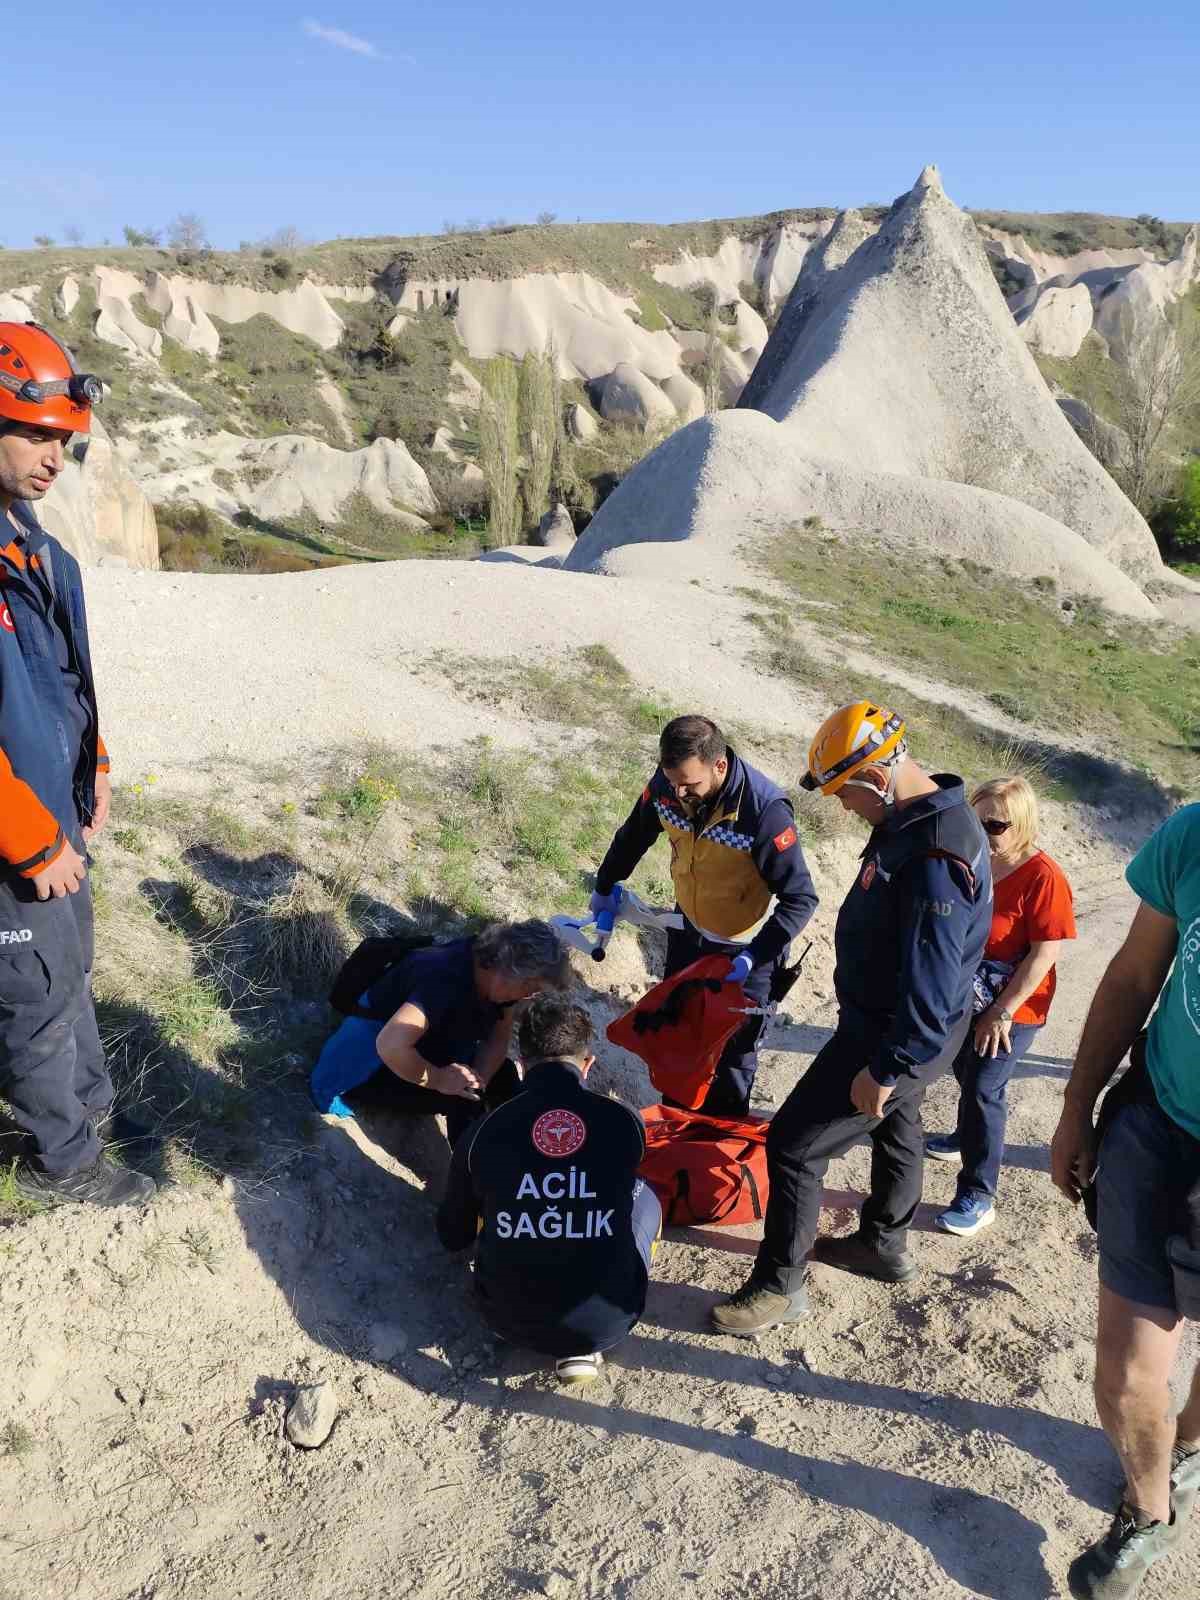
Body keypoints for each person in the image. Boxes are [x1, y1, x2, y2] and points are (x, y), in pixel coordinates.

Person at [710, 701, 991, 1336]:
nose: (843, 808)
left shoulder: (935, 855)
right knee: (897, 1126)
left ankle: (778, 1286)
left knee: (793, 1146)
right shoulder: (916, 818)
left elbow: (937, 981)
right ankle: (883, 1245)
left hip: (894, 1036)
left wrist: (889, 1066)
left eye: (845, 794)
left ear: (877, 778)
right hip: (890, 1026)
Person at [0, 323, 153, 1209]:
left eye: (68, 439)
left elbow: (65, 674)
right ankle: (65, 1167)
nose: (59, 456)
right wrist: (27, 840)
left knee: (70, 969)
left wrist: (91, 761)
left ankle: (90, 1117)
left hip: (52, 809)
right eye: (39, 435)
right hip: (15, 833)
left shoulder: (36, 546)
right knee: (31, 994)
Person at [1050, 804, 1200, 1599]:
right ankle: (1149, 1513)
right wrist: (1076, 1105)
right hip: (1157, 1124)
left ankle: (1188, 1452)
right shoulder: (1194, 834)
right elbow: (1137, 973)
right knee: (1126, 1368)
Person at [591, 714, 818, 1116]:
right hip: (689, 936)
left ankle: (715, 1153)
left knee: (732, 1061)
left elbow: (800, 898)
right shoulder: (668, 786)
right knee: (679, 1041)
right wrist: (605, 885)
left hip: (746, 956)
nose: (680, 793)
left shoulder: (763, 812)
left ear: (719, 766)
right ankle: (675, 1134)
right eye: (673, 781)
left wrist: (755, 955)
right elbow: (633, 836)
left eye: (690, 785)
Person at [436, 992, 660, 1383]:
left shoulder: (485, 1130)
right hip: (608, 1321)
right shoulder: (623, 1120)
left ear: (521, 1067)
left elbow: (452, 1234)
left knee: (489, 1198)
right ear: (587, 1064)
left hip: (503, 1317)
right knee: (645, 1195)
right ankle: (582, 1346)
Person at [925, 776, 1076, 1236]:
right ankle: (962, 1136)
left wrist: (1001, 1012)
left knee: (984, 1087)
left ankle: (978, 1193)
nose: (985, 831)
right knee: (962, 1069)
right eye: (977, 819)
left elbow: (1044, 954)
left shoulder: (1043, 876)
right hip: (966, 991)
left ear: (1022, 824)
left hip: (1015, 1005)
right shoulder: (975, 861)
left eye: (996, 824)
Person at [311, 920, 568, 1144]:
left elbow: (497, 1040)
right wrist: (439, 1080)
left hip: (424, 1046)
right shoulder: (443, 980)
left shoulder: (495, 977)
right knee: (460, 1102)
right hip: (374, 1064)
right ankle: (471, 1183)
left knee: (502, 1076)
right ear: (511, 972)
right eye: (530, 988)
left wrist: (479, 1080)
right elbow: (391, 1045)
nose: (530, 996)